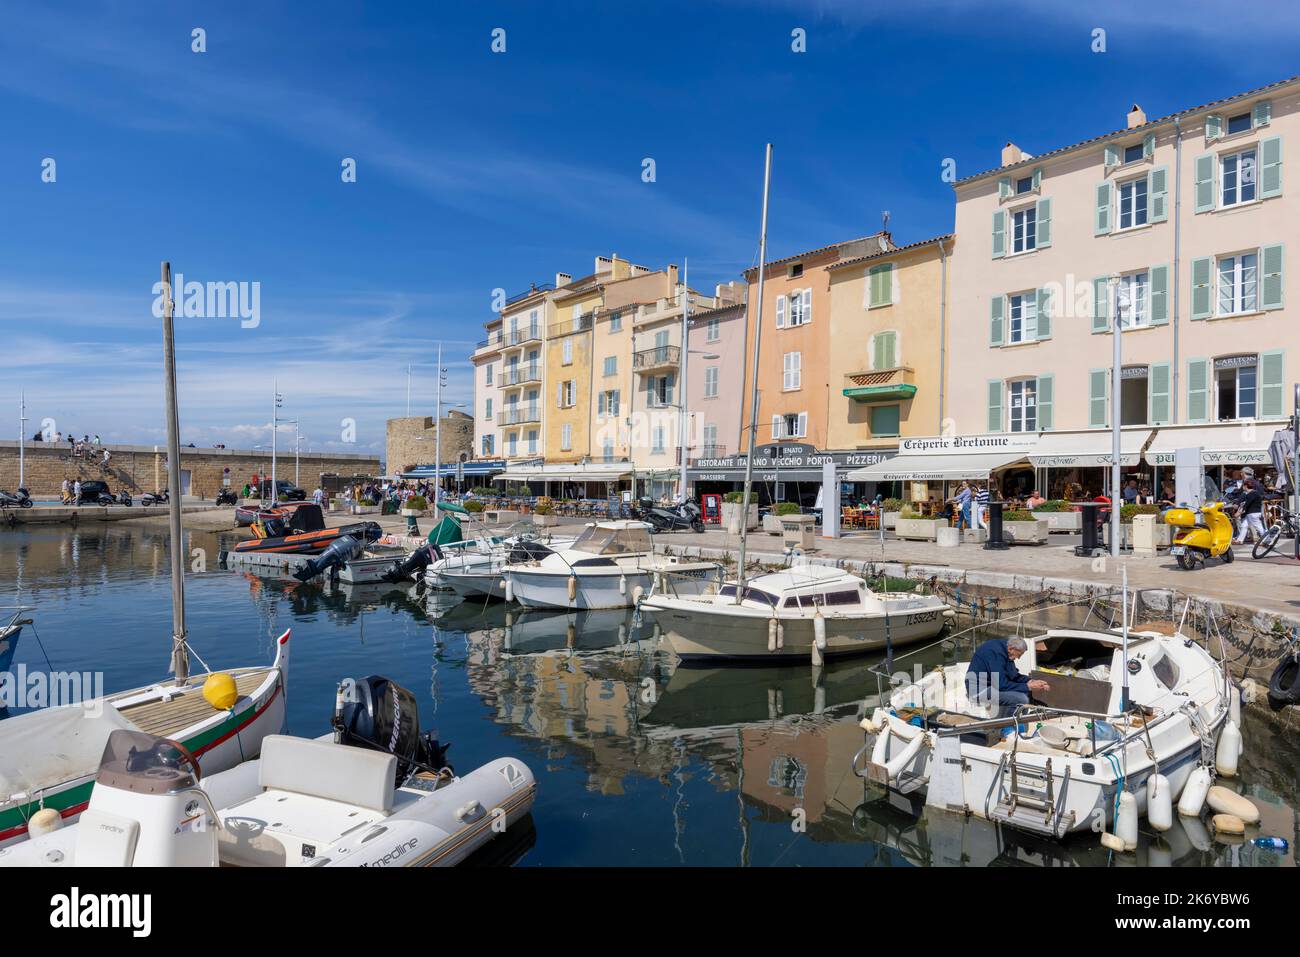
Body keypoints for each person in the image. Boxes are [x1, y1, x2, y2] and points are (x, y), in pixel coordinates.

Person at [966, 637, 1051, 717]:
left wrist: (1031, 681)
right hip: (978, 689)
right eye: (1019, 654)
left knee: (1024, 693)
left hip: (991, 685)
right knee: (1021, 699)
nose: (1018, 658)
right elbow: (1001, 685)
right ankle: (1008, 728)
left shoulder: (1007, 652)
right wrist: (1028, 686)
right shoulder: (995, 653)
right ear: (1011, 649)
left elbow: (1013, 676)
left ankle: (1019, 723)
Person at [1234, 477, 1266, 545]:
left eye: (1243, 485)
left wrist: (1238, 513)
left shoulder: (1251, 494)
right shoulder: (1254, 493)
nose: (1242, 487)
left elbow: (1246, 504)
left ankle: (1266, 540)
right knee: (1244, 526)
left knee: (1258, 527)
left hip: (1252, 513)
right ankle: (1240, 540)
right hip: (1252, 513)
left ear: (1245, 486)